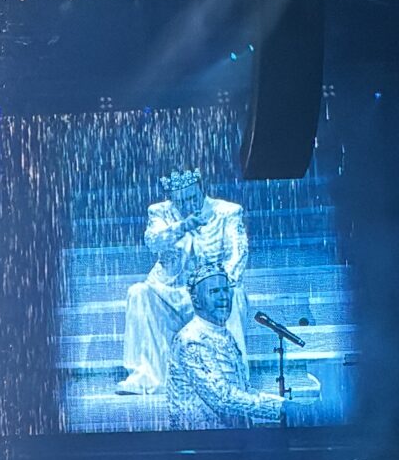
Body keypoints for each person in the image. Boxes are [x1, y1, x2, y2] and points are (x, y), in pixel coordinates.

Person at [118, 168, 249, 395]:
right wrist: (183, 226)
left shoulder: (227, 212)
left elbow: (238, 253)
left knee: (232, 294)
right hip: (169, 290)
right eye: (180, 202)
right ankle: (146, 376)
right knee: (138, 293)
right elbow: (153, 241)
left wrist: (221, 283)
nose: (188, 205)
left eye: (192, 198)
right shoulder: (160, 212)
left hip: (209, 290)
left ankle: (230, 377)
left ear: (201, 191)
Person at [167, 262, 284, 429]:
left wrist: (281, 403)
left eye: (225, 290)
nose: (224, 297)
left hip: (229, 436)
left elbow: (243, 390)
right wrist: (281, 408)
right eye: (214, 291)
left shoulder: (225, 335)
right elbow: (223, 398)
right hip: (201, 438)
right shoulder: (191, 339)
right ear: (196, 301)